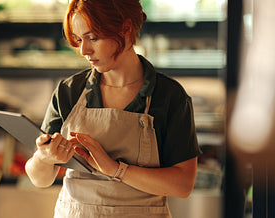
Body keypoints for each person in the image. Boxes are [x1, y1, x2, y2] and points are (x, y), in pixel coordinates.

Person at [24, 0, 201, 217]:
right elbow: (39, 179)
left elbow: (183, 185)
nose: (83, 50)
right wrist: (44, 157)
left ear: (125, 28)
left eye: (93, 38)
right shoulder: (69, 91)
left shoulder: (169, 96)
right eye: (79, 39)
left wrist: (115, 169)